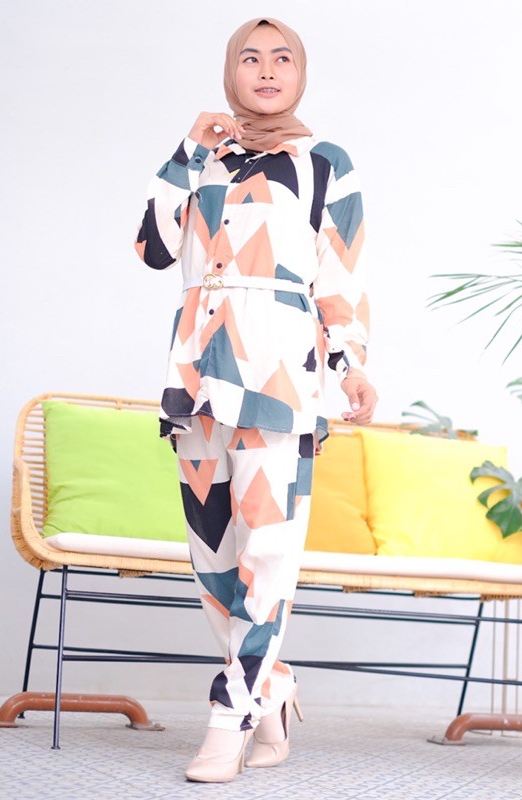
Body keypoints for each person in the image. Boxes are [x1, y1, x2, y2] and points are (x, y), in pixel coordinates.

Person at [134, 16, 377, 783]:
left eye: (281, 59)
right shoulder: (202, 158)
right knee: (215, 560)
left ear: (300, 73)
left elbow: (338, 278)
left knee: (267, 554)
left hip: (280, 378)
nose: (266, 71)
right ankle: (272, 687)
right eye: (250, 58)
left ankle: (228, 714)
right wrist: (186, 150)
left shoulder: (326, 164)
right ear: (230, 71)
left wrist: (351, 366)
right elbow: (152, 248)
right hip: (197, 378)